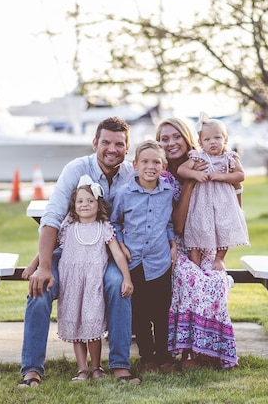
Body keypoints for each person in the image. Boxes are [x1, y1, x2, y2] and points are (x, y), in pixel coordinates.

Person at [18, 116, 140, 387]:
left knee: (118, 283)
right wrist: (44, 265)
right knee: (40, 288)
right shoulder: (76, 169)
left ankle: (120, 365)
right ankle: (32, 369)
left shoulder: (133, 173)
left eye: (119, 144)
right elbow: (52, 219)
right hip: (72, 252)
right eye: (105, 142)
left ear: (127, 147)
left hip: (110, 252)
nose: (112, 148)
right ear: (95, 142)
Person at [157, 117, 239, 369]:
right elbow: (178, 227)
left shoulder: (208, 159)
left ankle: (212, 350)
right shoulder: (162, 175)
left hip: (207, 240)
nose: (171, 143)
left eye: (176, 136)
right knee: (189, 277)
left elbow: (234, 202)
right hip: (176, 244)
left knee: (214, 279)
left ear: (187, 138)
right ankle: (188, 352)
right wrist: (192, 180)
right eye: (164, 139)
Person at [56, 175, 134, 382]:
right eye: (80, 201)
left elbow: (117, 254)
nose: (85, 205)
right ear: (74, 204)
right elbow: (50, 247)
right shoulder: (68, 227)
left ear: (98, 205)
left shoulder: (104, 228)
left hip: (93, 285)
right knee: (76, 327)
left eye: (90, 201)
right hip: (71, 286)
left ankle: (96, 367)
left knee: (92, 326)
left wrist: (127, 278)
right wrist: (35, 265)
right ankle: (82, 368)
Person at [110, 140, 178, 374]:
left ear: (164, 166)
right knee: (140, 311)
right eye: (145, 162)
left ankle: (164, 355)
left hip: (159, 261)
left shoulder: (168, 192)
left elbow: (169, 222)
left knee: (161, 311)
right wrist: (121, 245)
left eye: (156, 162)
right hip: (135, 260)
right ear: (135, 165)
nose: (151, 166)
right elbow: (115, 223)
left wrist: (172, 243)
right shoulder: (124, 194)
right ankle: (147, 356)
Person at [177, 112, 249, 270]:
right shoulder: (198, 157)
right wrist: (195, 174)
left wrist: (224, 176)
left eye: (217, 138)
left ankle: (219, 258)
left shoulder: (229, 157)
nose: (213, 142)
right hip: (202, 202)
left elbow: (241, 175)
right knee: (197, 226)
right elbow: (182, 170)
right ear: (201, 143)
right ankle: (194, 260)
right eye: (207, 139)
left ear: (226, 139)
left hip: (223, 202)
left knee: (224, 227)